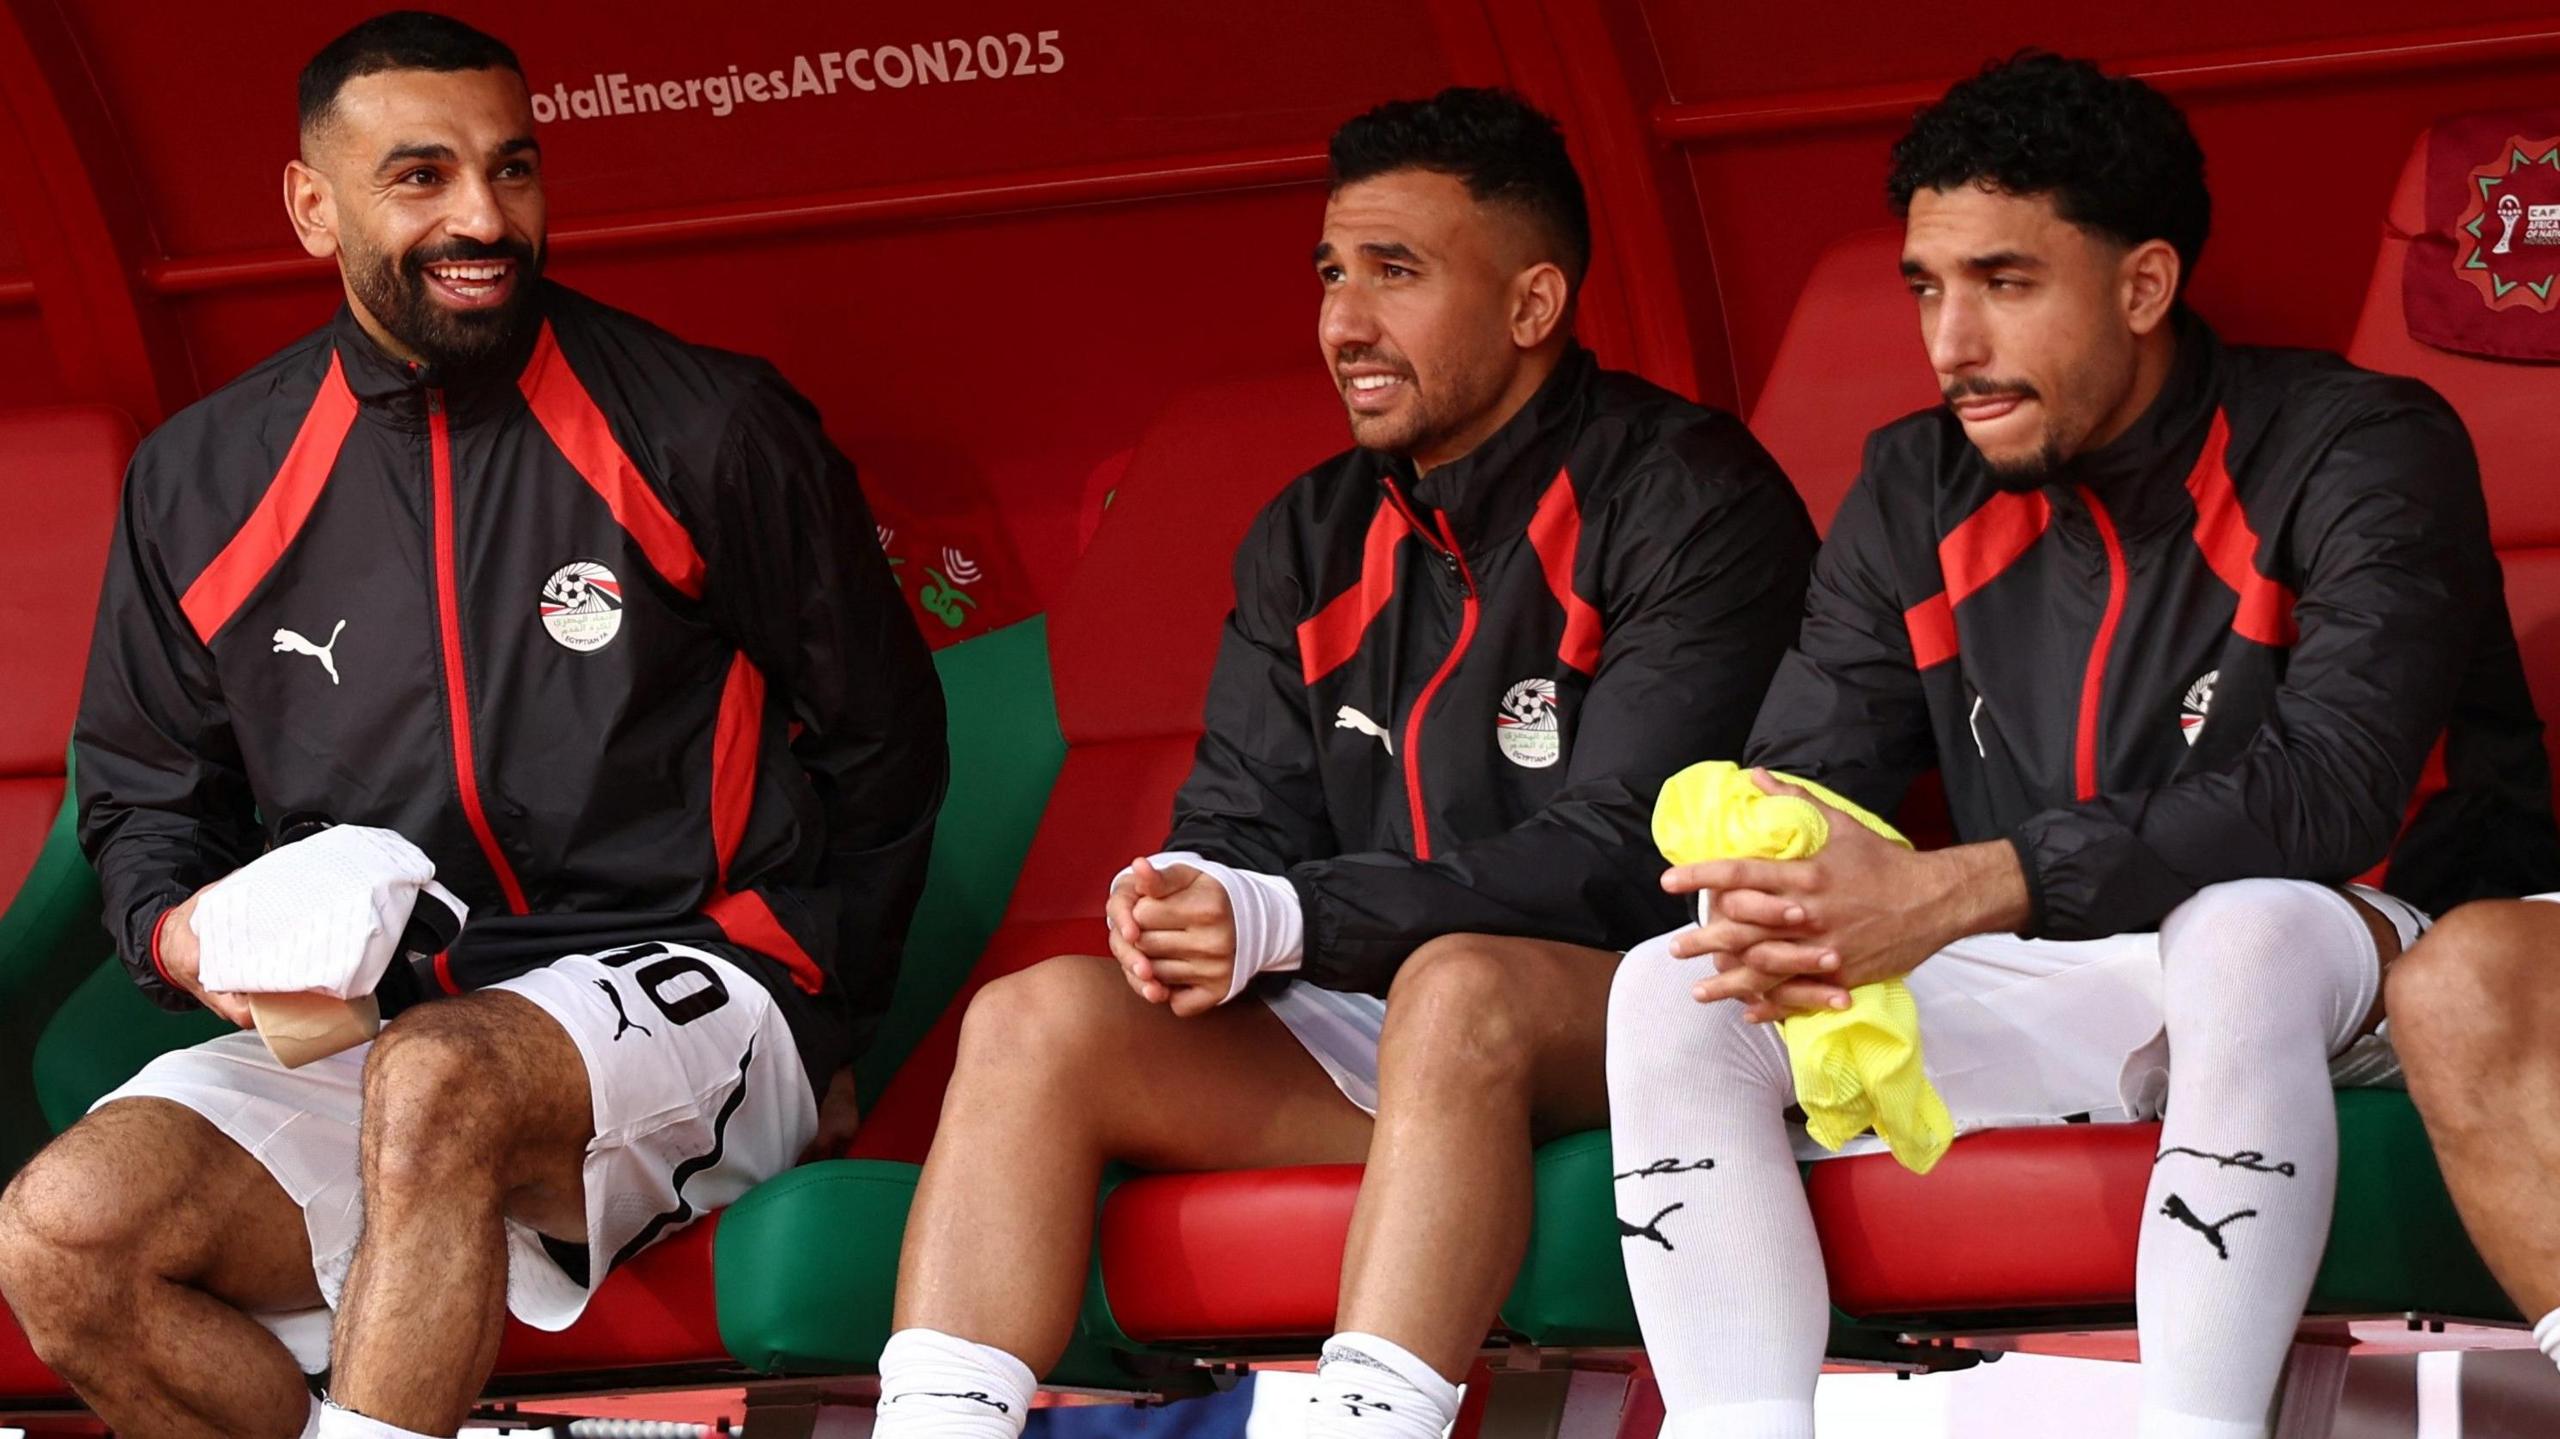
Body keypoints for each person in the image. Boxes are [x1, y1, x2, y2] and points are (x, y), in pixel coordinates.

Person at [0, 13, 945, 1439]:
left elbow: (885, 738)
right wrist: (178, 934)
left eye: (514, 169)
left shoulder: (706, 427)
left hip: (691, 976)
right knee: (62, 1232)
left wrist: (826, 1008)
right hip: (386, 1020)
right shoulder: (202, 481)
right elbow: (145, 797)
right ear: (312, 207)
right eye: (422, 177)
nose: (484, 218)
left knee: (441, 1082)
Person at [1602, 51, 2560, 1439]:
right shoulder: (1912, 484)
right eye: (1928, 287)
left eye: (2005, 283)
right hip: (2084, 972)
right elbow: (1812, 778)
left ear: (2144, 286)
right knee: (1667, 989)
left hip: (2371, 962)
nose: (1952, 344)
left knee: (2245, 931)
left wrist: (1962, 885)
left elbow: (2331, 795)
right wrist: (1775, 863)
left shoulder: (2356, 441)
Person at [875, 87, 1815, 1439]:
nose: (1344, 323)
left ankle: (1366, 1422)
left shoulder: (1687, 492)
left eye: (1397, 273)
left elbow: (1628, 855)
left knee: (1459, 986)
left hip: (1636, 1017)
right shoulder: (1309, 533)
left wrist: (1303, 915)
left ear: (1533, 305)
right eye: (1331, 273)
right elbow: (1238, 823)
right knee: (1035, 1023)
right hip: (1387, 1027)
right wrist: (1191, 907)